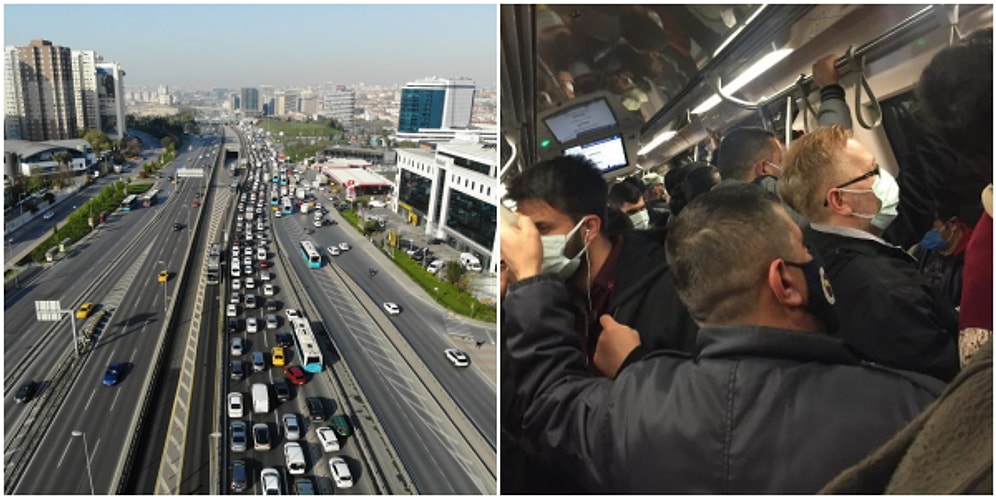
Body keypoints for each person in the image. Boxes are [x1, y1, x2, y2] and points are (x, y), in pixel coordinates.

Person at [501, 183, 943, 493]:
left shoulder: (636, 408)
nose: (816, 262)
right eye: (806, 253)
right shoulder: (913, 411)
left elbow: (550, 401)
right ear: (785, 283)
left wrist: (527, 281)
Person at [778, 125, 960, 381]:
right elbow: (949, 377)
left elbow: (913, 205)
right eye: (872, 171)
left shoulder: (822, 247)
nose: (884, 177)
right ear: (840, 201)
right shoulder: (882, 289)